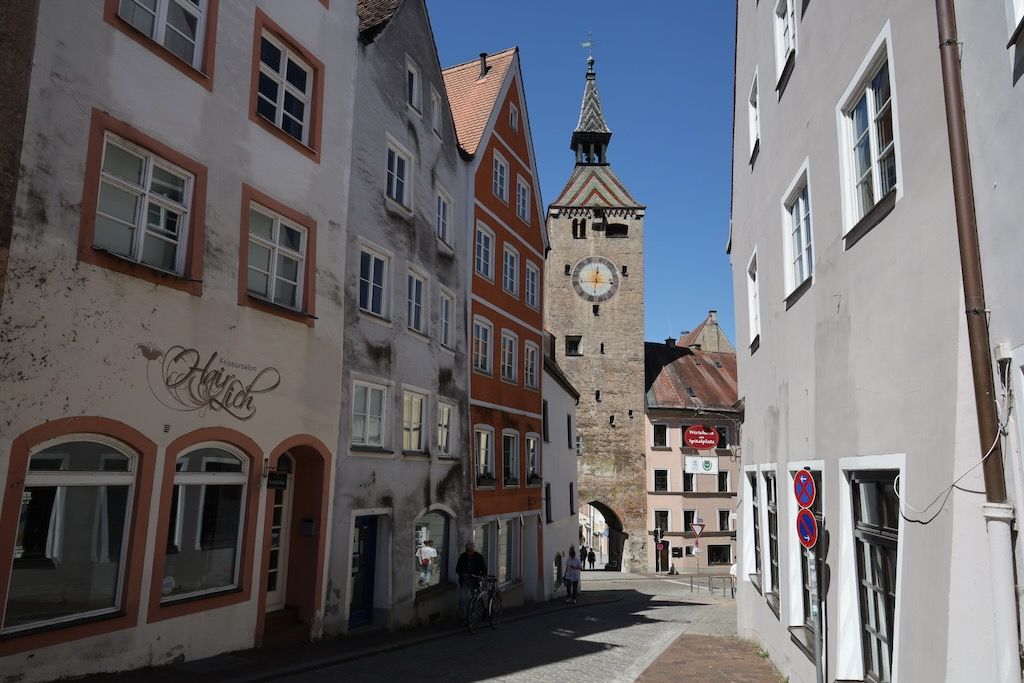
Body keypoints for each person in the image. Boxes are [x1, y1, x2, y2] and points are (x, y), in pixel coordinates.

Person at [456, 541, 487, 620]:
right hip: (465, 581)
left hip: (475, 581)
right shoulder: (463, 556)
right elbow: (458, 569)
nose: (468, 552)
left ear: (473, 550)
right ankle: (464, 617)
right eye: (467, 550)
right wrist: (462, 574)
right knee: (461, 599)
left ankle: (474, 615)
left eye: (470, 551)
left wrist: (480, 576)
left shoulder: (478, 557)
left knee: (475, 598)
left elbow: (484, 569)